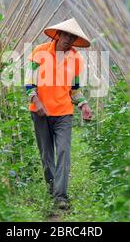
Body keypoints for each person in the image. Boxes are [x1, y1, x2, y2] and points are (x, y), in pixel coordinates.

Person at [25, 17, 93, 210]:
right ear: (58, 34)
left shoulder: (76, 59)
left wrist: (84, 105)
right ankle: (52, 188)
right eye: (66, 35)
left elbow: (75, 89)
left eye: (72, 37)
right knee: (47, 154)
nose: (68, 40)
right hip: (40, 112)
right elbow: (29, 82)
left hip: (64, 112)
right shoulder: (38, 53)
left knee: (63, 151)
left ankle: (61, 196)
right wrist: (35, 100)